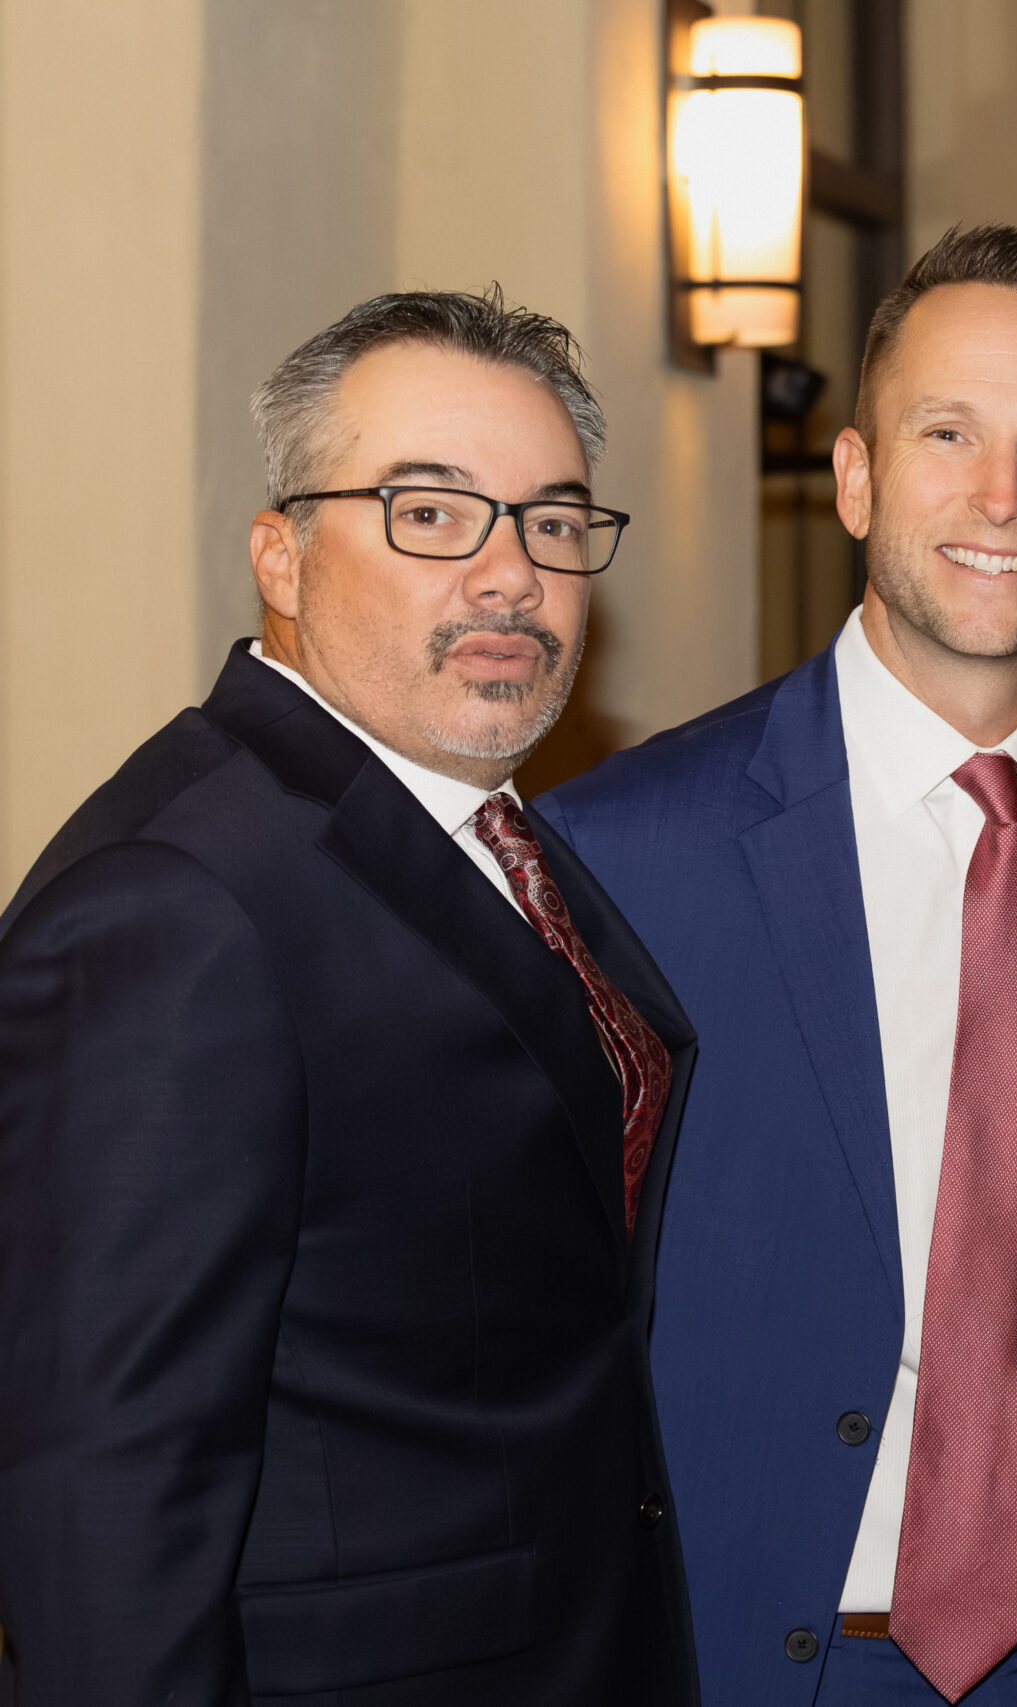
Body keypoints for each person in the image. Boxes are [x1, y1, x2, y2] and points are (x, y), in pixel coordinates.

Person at [537, 226, 1017, 1706]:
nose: (1001, 496)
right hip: (774, 1667)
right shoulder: (629, 855)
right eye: (949, 434)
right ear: (857, 477)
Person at [0, 290, 698, 1702]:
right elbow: (104, 1489)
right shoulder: (179, 903)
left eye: (552, 522)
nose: (511, 577)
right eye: (430, 514)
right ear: (282, 553)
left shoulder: (480, 825)